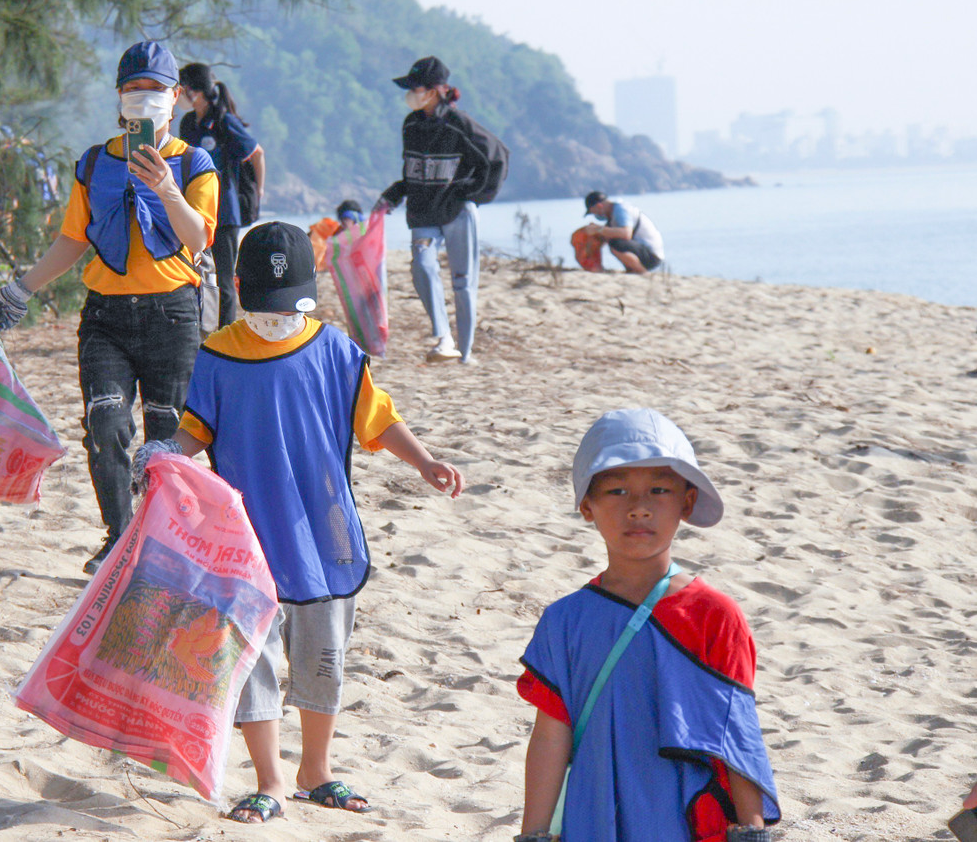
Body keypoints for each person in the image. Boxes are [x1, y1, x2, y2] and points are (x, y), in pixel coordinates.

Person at [132, 222, 463, 824]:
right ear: (237, 289)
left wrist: (425, 461)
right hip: (245, 540)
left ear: (311, 295)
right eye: (264, 306)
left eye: (288, 308)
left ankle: (317, 769)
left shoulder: (337, 350)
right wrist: (163, 453)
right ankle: (271, 779)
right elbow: (195, 429)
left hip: (325, 535)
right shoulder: (218, 355)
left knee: (323, 654)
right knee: (250, 655)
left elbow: (377, 419)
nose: (275, 318)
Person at [0, 41, 219, 574]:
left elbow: (197, 240)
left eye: (154, 90)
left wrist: (166, 188)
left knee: (166, 436)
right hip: (106, 317)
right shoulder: (95, 162)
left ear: (176, 97)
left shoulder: (194, 163)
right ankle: (118, 537)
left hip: (172, 313)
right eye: (133, 89)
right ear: (119, 97)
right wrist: (20, 290)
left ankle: (161, 541)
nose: (143, 99)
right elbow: (72, 240)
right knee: (107, 424)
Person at [516, 408, 780, 842]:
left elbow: (737, 734)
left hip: (687, 821)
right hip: (592, 815)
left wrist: (751, 832)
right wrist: (534, 835)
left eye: (659, 490)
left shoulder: (715, 615)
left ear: (687, 502)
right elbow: (550, 735)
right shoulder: (564, 620)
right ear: (587, 506)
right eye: (617, 491)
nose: (638, 508)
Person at [378, 56, 506, 365]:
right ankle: (443, 337)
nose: (411, 94)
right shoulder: (410, 124)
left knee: (463, 283)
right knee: (422, 266)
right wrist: (392, 196)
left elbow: (498, 157)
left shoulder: (459, 125)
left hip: (458, 213)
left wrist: (472, 195)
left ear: (435, 91)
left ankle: (466, 352)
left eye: (416, 88)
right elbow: (412, 171)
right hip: (423, 214)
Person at [177, 62, 265, 327]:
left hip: (225, 212)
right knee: (195, 273)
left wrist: (258, 192)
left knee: (225, 279)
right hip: (193, 210)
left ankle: (225, 332)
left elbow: (257, 153)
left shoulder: (225, 121)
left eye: (182, 88)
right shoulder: (188, 123)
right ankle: (197, 327)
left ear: (195, 91)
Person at [583, 191, 666, 274]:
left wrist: (598, 229)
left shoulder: (620, 209)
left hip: (652, 256)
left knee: (616, 243)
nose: (595, 215)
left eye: (594, 212)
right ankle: (632, 270)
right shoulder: (612, 215)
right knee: (613, 241)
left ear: (599, 206)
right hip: (644, 251)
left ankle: (642, 271)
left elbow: (626, 234)